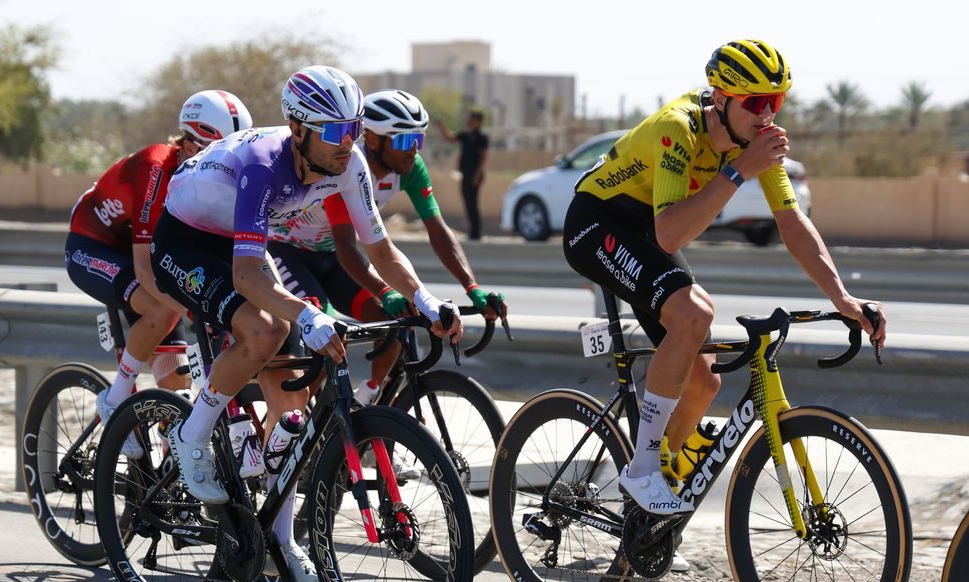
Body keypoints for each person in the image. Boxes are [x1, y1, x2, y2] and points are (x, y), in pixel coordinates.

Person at [563, 36, 887, 545]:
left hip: (646, 230)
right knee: (695, 314)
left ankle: (650, 508)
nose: (767, 115)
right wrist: (739, 171)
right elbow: (671, 235)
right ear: (721, 98)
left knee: (704, 381)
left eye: (775, 102)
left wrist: (841, 298)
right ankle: (642, 469)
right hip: (597, 222)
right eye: (756, 103)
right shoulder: (678, 128)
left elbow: (792, 223)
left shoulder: (755, 142)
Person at [150, 65, 461, 580]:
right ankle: (192, 432)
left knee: (293, 399)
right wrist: (309, 312)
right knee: (268, 329)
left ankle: (281, 536)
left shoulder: (348, 163)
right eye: (336, 131)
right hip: (185, 241)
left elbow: (380, 249)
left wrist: (425, 302)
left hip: (239, 238)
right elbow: (247, 276)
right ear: (298, 130)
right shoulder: (263, 164)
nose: (348, 142)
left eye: (354, 128)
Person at [268, 89, 507, 394]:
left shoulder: (410, 169)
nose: (414, 151)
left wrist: (471, 287)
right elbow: (347, 248)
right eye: (405, 141)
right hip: (288, 252)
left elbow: (438, 231)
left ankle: (371, 399)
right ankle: (296, 418)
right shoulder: (344, 168)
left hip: (329, 256)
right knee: (328, 338)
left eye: (418, 139)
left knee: (389, 321)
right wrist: (386, 290)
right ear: (372, 140)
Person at [65, 90, 252, 457]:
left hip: (142, 251)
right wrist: (195, 311)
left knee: (176, 384)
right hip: (95, 246)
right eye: (215, 154)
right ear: (189, 144)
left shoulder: (208, 176)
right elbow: (144, 267)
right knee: (162, 309)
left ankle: (171, 467)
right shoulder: (155, 168)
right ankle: (115, 399)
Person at [438, 110, 489, 240]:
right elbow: (449, 137)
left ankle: (476, 232)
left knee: (473, 202)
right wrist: (442, 125)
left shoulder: (481, 137)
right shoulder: (466, 135)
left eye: (472, 119)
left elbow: (483, 157)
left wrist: (477, 174)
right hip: (465, 173)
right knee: (467, 202)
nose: (469, 121)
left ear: (478, 121)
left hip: (474, 174)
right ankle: (473, 231)